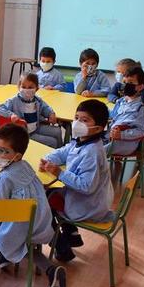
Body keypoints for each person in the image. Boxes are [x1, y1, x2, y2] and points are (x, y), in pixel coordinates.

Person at [0, 124, 67, 287]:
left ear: (16, 156)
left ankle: (7, 255)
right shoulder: (24, 165)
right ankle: (49, 268)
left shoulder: (4, 179)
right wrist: (0, 176)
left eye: (3, 151)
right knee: (15, 238)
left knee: (1, 235)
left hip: (22, 223)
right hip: (40, 219)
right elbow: (17, 179)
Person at [40, 100, 113, 262]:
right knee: (48, 194)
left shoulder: (92, 152)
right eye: (77, 118)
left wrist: (59, 172)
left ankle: (62, 247)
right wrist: (47, 159)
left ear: (99, 128)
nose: (78, 123)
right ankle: (72, 235)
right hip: (81, 198)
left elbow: (86, 186)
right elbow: (64, 152)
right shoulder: (82, 140)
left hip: (87, 205)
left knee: (42, 204)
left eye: (85, 120)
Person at [0, 72, 63, 148]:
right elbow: (0, 109)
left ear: (36, 88)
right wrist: (11, 115)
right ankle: (53, 157)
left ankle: (61, 152)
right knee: (53, 142)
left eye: (30, 87)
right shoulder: (14, 100)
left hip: (35, 127)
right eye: (23, 87)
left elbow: (45, 107)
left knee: (57, 131)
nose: (26, 90)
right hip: (24, 134)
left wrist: (51, 113)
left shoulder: (37, 100)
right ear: (19, 87)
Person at [106, 71, 144, 156]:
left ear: (140, 87)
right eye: (125, 82)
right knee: (89, 142)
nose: (126, 85)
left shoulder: (140, 109)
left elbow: (142, 131)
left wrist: (122, 135)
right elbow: (114, 115)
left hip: (125, 143)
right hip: (111, 137)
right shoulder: (121, 101)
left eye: (131, 83)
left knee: (94, 150)